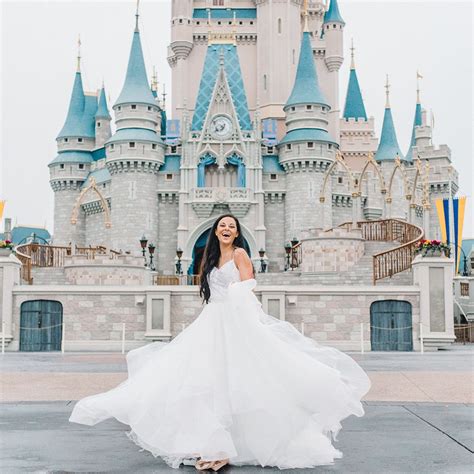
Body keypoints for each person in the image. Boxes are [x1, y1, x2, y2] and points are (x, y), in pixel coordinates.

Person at [69, 213, 371, 471]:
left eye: (232, 226)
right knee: (206, 381)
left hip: (236, 321)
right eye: (223, 226)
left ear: (237, 233)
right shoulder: (210, 257)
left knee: (238, 380)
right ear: (216, 231)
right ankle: (215, 444)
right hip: (212, 321)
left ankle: (225, 447)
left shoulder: (240, 254)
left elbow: (248, 284)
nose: (227, 229)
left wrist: (242, 314)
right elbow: (212, 292)